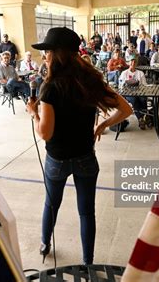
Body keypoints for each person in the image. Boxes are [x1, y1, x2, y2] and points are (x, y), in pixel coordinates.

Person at [27, 27, 132, 265]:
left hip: (57, 160)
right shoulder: (92, 81)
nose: (45, 56)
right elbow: (126, 110)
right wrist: (103, 124)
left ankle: (45, 243)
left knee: (51, 204)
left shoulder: (50, 88)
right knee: (87, 212)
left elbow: (45, 133)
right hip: (86, 157)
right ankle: (88, 262)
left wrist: (34, 114)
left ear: (56, 54)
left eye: (47, 52)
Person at [119, 58, 149, 129]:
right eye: (131, 62)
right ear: (129, 63)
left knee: (143, 99)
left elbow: (144, 84)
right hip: (128, 93)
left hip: (140, 92)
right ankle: (141, 118)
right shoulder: (124, 73)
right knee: (134, 100)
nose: (133, 63)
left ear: (136, 64)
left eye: (134, 62)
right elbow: (121, 85)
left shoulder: (140, 73)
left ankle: (144, 117)